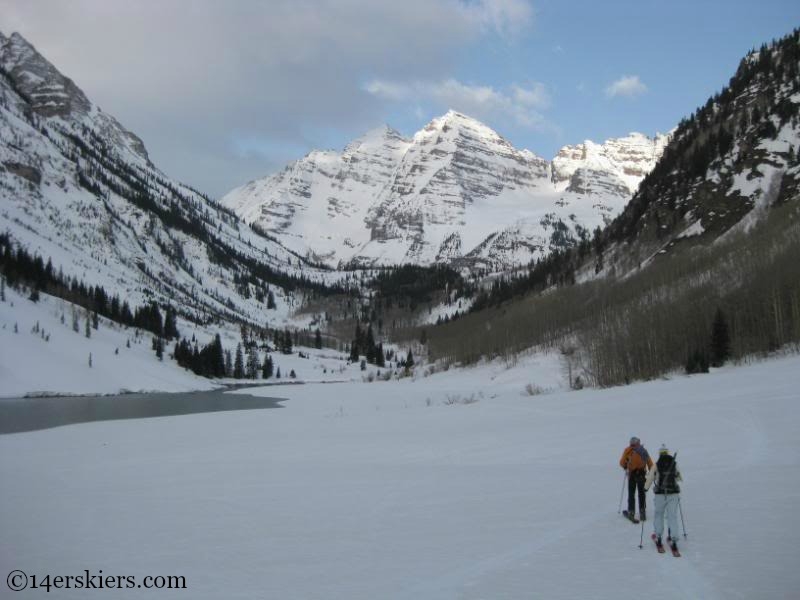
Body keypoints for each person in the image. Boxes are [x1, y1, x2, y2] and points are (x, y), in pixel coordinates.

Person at [645, 444, 683, 553]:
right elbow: (679, 478)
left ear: (660, 454)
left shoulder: (657, 465)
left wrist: (645, 488)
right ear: (667, 453)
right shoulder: (674, 463)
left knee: (659, 515)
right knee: (672, 517)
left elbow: (650, 478)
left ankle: (658, 537)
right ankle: (673, 539)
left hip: (660, 494)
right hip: (673, 494)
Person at [619, 436, 653, 522]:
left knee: (631, 493)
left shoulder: (628, 450)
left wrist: (625, 465)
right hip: (641, 474)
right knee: (641, 493)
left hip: (632, 475)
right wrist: (651, 473)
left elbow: (622, 462)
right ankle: (642, 512)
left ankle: (631, 512)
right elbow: (650, 463)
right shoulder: (643, 450)